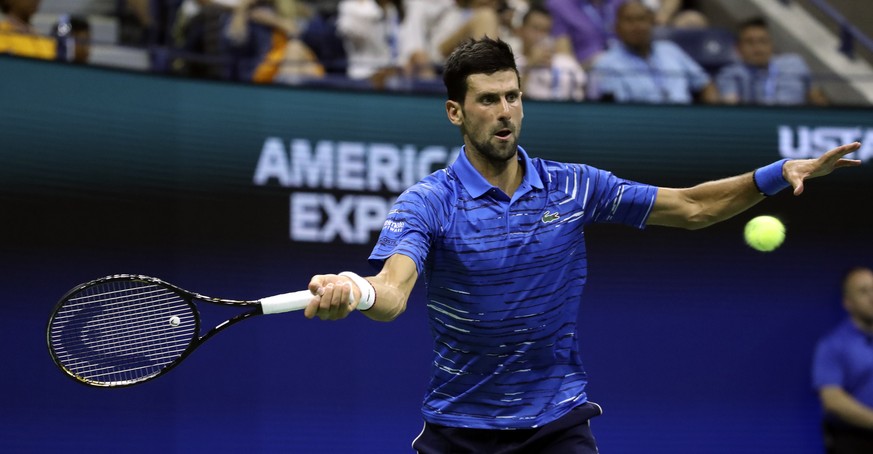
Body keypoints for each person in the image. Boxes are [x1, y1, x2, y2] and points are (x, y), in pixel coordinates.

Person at [296, 36, 861, 452]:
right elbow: (392, 291)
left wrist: (773, 172)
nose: (504, 113)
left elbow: (691, 207)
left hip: (556, 427)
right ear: (455, 112)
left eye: (513, 97)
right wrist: (354, 290)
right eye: (488, 100)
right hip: (458, 429)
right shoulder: (429, 202)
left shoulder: (575, 186)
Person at [587, 0, 718, 104]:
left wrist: (712, 117)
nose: (636, 26)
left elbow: (706, 84)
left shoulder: (671, 50)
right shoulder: (606, 64)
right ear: (616, 27)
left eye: (642, 19)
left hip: (686, 123)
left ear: (652, 23)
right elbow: (620, 112)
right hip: (645, 127)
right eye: (629, 20)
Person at [812, 267, 873, 453]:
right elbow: (833, 400)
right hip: (854, 441)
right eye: (863, 291)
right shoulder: (833, 345)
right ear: (848, 303)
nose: (872, 297)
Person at [716, 17, 828, 106]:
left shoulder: (795, 63)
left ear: (771, 44)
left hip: (795, 124)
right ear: (738, 48)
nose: (757, 47)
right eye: (750, 42)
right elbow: (731, 106)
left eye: (763, 41)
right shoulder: (730, 74)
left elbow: (816, 96)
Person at [513, 3, 586, 101]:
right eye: (535, 28)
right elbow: (512, 100)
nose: (540, 36)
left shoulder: (565, 63)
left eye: (546, 31)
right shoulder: (509, 62)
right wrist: (530, 65)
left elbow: (580, 95)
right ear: (520, 30)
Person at [336, 0, 403, 86]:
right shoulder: (349, 6)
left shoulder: (391, 10)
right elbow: (347, 30)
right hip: (362, 75)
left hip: (389, 76)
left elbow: (394, 43)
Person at [545, 0, 621, 68]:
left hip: (625, 67)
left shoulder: (620, 3)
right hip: (586, 71)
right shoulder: (559, 5)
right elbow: (564, 59)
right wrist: (601, 62)